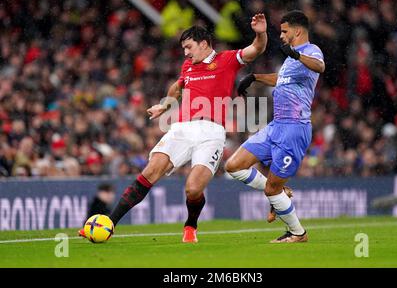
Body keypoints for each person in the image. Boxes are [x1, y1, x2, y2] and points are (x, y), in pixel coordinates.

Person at [79, 14, 268, 243]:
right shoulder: (188, 66)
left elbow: (256, 48)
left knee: (193, 189)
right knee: (151, 171)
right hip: (182, 128)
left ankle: (190, 225)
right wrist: (164, 105)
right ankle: (110, 223)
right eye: (183, 48)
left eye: (188, 47)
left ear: (204, 44)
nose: (186, 52)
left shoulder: (227, 59)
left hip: (211, 133)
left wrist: (260, 32)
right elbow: (177, 87)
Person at [224, 10, 325, 243]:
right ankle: (281, 192)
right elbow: (281, 79)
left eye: (284, 31)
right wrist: (255, 77)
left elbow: (320, 67)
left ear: (297, 31)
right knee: (234, 165)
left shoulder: (311, 51)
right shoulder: (290, 59)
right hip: (275, 126)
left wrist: (296, 55)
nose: (281, 35)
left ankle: (298, 233)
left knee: (271, 190)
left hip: (294, 129)